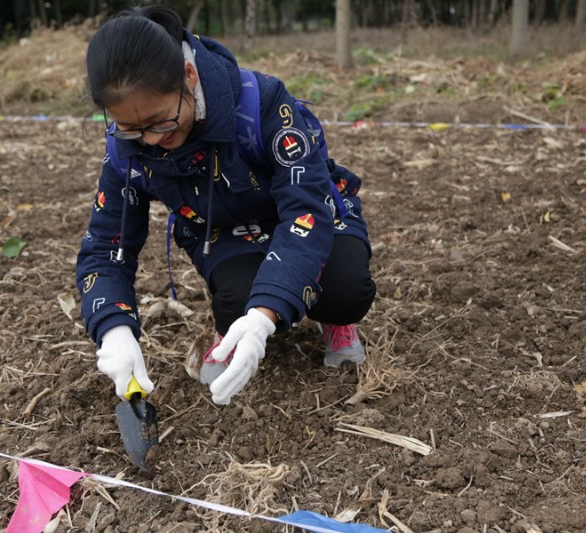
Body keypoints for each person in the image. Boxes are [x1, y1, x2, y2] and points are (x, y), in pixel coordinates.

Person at [76, 4, 376, 406]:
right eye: (130, 128)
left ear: (189, 75)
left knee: (343, 290)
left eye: (161, 121)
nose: (149, 140)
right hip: (222, 229)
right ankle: (236, 326)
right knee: (237, 303)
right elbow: (106, 246)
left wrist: (264, 315)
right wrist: (113, 328)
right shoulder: (126, 150)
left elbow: (306, 208)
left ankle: (335, 323)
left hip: (313, 213)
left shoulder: (263, 103)